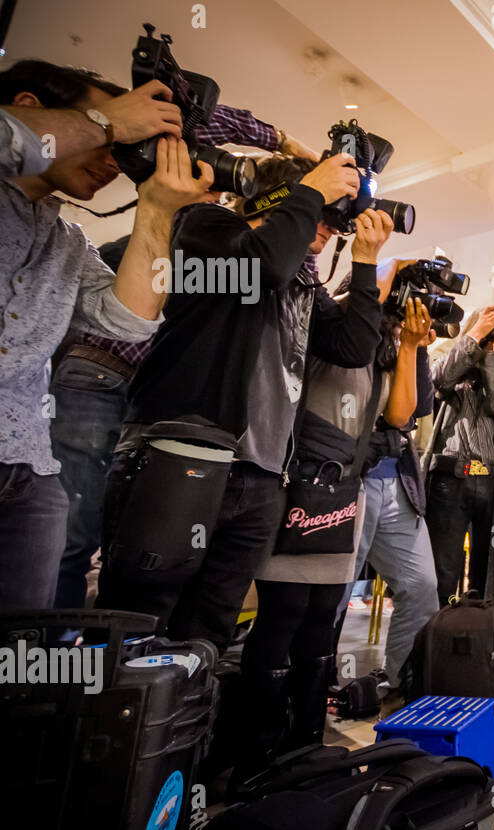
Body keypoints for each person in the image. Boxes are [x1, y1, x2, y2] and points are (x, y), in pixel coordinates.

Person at [95, 151, 373, 650]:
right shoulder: (208, 226)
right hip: (182, 451)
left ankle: (184, 724)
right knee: (138, 620)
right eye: (325, 210)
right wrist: (311, 192)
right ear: (285, 198)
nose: (332, 225)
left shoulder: (304, 279)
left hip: (261, 476)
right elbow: (261, 267)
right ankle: (111, 724)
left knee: (209, 627)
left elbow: (354, 347)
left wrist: (368, 262)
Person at [47, 107, 320, 610]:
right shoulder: (205, 224)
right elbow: (191, 121)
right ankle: (60, 665)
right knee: (73, 539)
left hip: (154, 397)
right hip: (103, 375)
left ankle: (125, 672)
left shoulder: (226, 237)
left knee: (96, 541)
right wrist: (285, 144)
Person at [0, 62, 214, 610]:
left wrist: (159, 208)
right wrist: (106, 119)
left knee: (20, 650)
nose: (113, 161)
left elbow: (129, 320)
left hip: (29, 468)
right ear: (27, 106)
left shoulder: (68, 240)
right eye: (108, 141)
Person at [233, 211, 406, 786]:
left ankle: (303, 744)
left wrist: (408, 341)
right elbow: (346, 344)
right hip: (294, 476)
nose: (329, 227)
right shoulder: (303, 295)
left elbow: (402, 408)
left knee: (320, 619)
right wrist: (370, 269)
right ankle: (257, 755)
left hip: (340, 488)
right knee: (282, 617)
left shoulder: (348, 325)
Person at [337, 258, 440, 694]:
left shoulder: (403, 343)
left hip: (396, 476)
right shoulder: (348, 327)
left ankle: (404, 684)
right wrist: (391, 267)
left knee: (420, 585)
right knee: (334, 592)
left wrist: (412, 347)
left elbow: (413, 411)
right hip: (346, 477)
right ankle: (304, 690)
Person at [422, 306, 494, 608]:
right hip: (451, 479)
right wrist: (475, 338)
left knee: (490, 573)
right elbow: (438, 379)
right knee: (442, 572)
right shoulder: (453, 359)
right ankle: (436, 642)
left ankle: (478, 643)